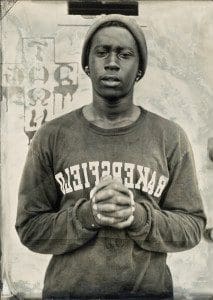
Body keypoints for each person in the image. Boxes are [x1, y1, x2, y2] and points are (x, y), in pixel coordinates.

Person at [15, 14, 206, 299]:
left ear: (139, 68)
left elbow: (192, 227)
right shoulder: (52, 135)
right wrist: (88, 215)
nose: (112, 62)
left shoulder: (170, 136)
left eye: (125, 54)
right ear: (86, 65)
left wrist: (137, 216)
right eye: (102, 52)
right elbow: (30, 228)